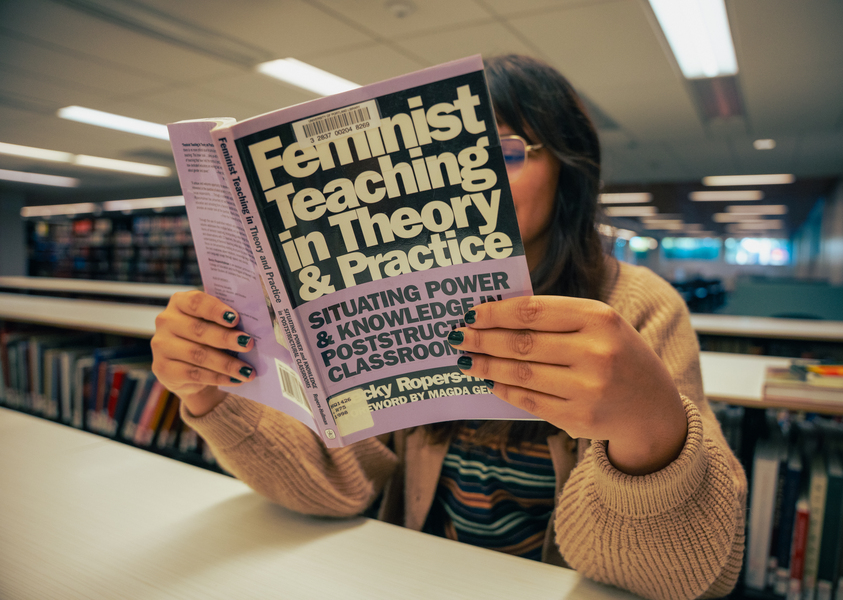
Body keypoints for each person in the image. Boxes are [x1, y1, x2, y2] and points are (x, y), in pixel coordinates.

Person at [151, 54, 746, 600]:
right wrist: (209, 390)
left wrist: (652, 436)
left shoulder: (639, 305)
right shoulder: (386, 290)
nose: (474, 179)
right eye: (452, 160)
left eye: (504, 153)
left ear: (567, 168)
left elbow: (686, 572)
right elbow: (342, 487)